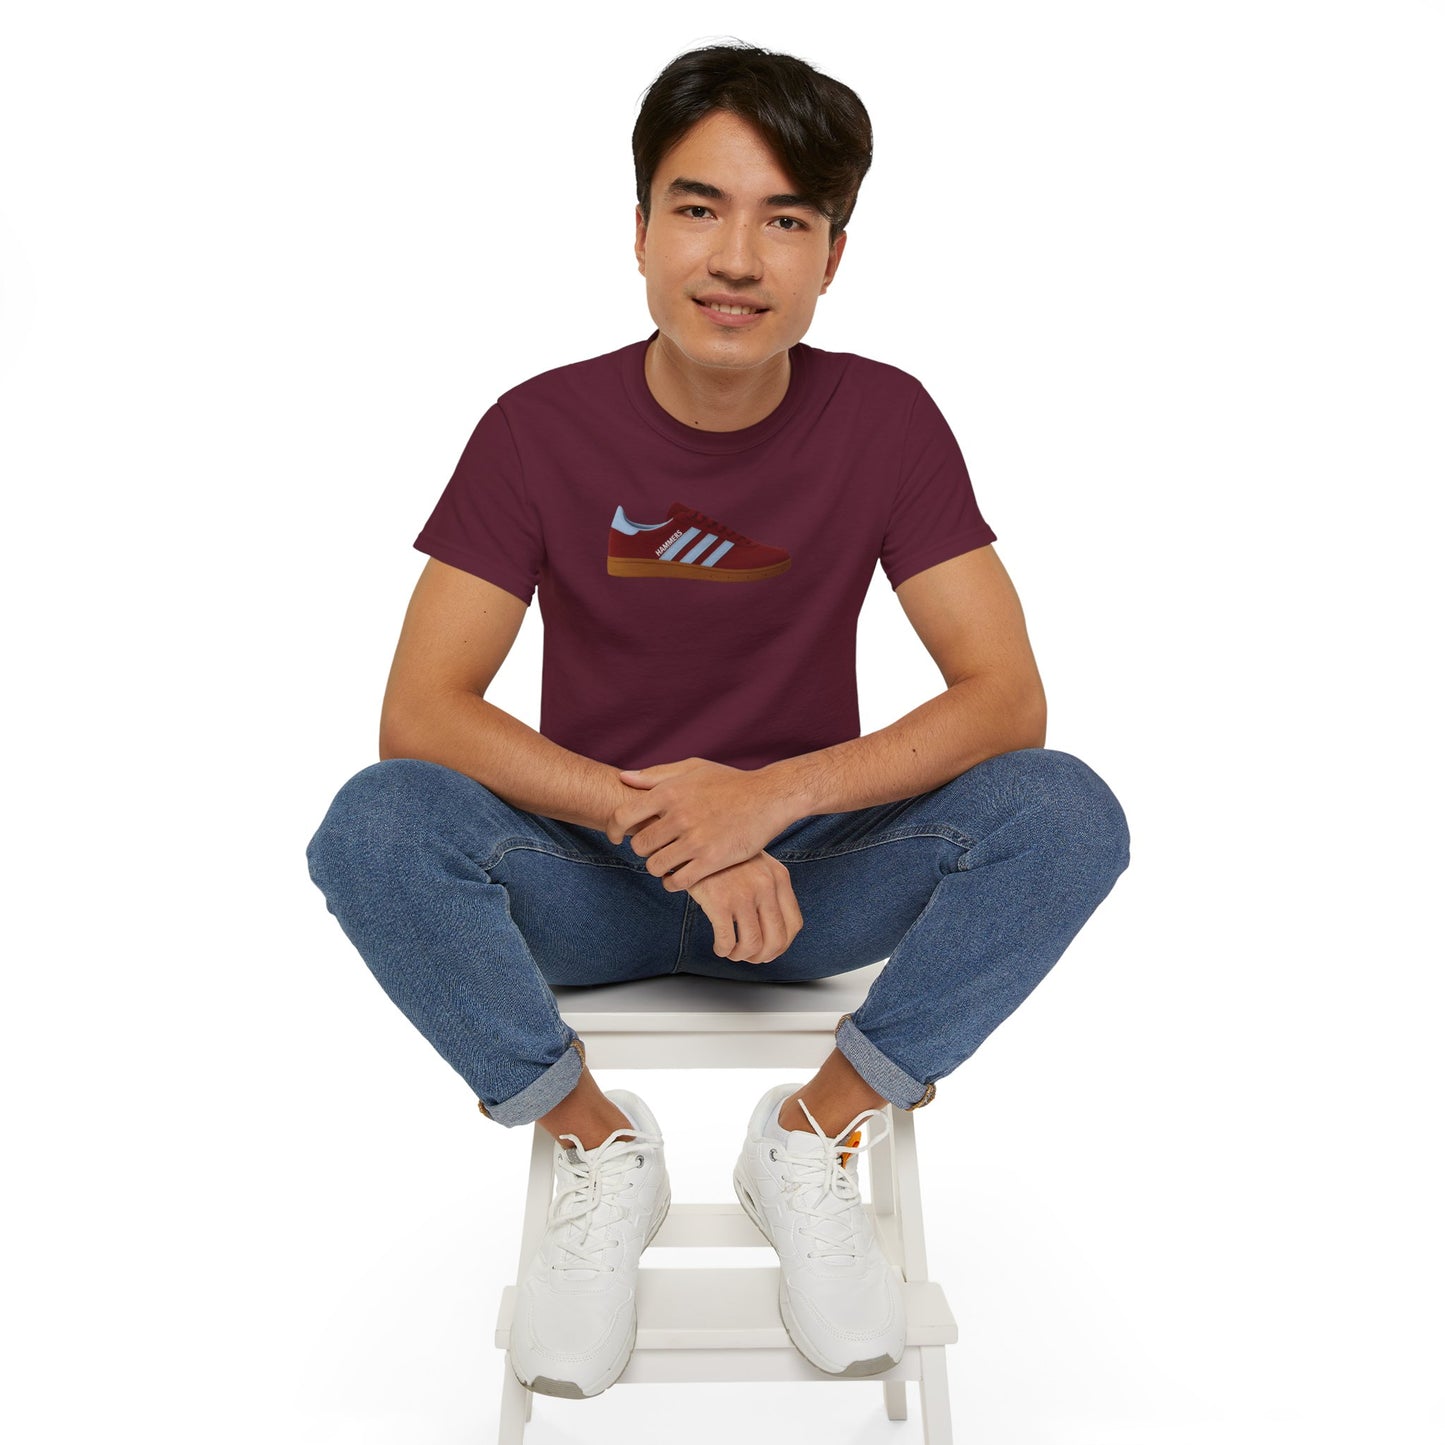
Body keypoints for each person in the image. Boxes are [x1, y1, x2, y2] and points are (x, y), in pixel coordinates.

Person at [306, 42, 1131, 1401]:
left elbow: (1004, 697)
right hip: (593, 882)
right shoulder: (535, 426)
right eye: (698, 208)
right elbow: (420, 711)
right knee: (374, 827)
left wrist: (774, 798)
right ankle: (593, 1142)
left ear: (830, 256)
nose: (737, 256)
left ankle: (812, 1132)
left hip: (813, 883)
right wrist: (674, 817)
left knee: (1062, 808)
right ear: (638, 231)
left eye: (784, 219)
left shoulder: (887, 417)